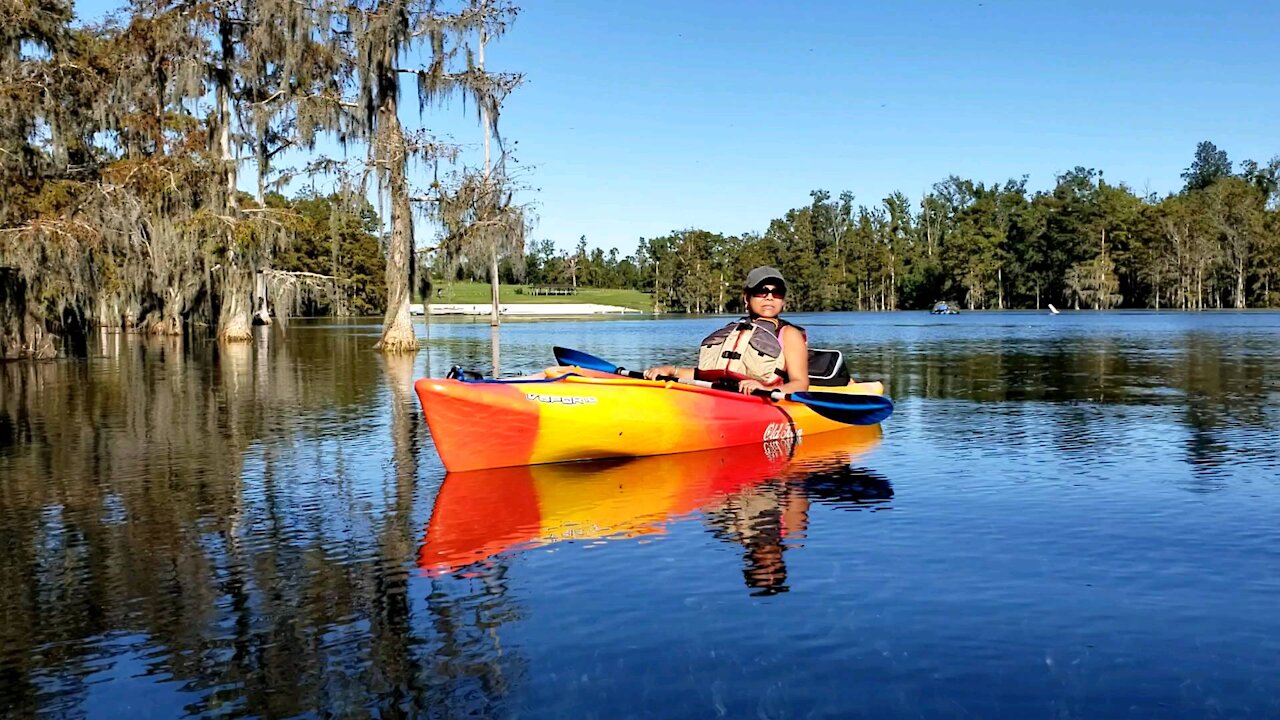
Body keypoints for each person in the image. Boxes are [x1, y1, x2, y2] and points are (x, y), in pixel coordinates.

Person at [644, 266, 809, 395]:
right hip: (722, 398)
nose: (769, 297)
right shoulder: (734, 330)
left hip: (764, 402)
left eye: (777, 293)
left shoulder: (788, 334)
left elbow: (800, 384)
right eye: (761, 291)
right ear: (746, 298)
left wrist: (766, 390)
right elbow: (705, 375)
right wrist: (672, 371)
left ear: (783, 300)